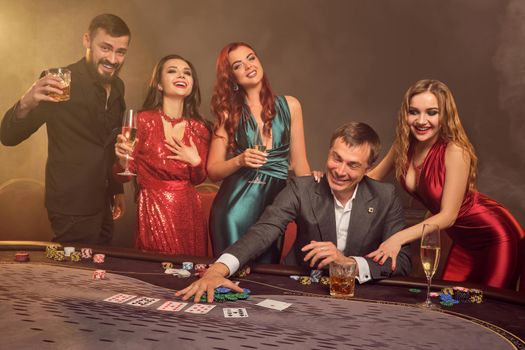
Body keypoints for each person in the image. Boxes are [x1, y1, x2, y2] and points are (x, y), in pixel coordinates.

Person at [176, 122, 412, 302]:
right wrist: (218, 269)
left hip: (357, 298)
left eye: (352, 165)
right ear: (329, 151)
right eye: (336, 158)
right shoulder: (303, 187)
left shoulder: (385, 196)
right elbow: (265, 229)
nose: (340, 171)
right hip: (299, 289)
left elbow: (402, 262)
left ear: (368, 168)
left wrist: (347, 263)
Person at [367, 79, 525, 292]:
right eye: (414, 112)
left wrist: (397, 238)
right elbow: (372, 177)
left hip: (495, 236)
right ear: (406, 114)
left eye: (432, 112)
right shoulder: (404, 144)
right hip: (463, 240)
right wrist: (329, 177)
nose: (421, 120)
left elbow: (449, 216)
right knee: (451, 304)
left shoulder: (456, 150)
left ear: (445, 115)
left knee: (488, 309)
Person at [0, 14, 131, 244]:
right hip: (71, 205)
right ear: (87, 40)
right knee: (74, 277)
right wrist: (27, 101)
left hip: (103, 201)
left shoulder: (118, 86)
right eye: (105, 48)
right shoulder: (60, 81)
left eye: (120, 51)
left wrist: (116, 188)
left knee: (98, 273)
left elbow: (109, 143)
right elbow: (8, 137)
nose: (112, 58)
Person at [207, 42, 313, 263]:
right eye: (238, 65)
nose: (248, 66)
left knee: (265, 280)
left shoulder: (291, 106)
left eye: (251, 58)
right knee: (231, 281)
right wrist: (240, 160)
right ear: (231, 77)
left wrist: (313, 209)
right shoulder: (228, 113)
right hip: (233, 211)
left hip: (274, 210)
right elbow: (213, 171)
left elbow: (300, 165)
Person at [115, 55, 210, 256]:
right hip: (153, 207)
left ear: (192, 84)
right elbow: (123, 176)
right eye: (172, 70)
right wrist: (123, 159)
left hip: (189, 210)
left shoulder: (199, 128)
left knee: (189, 272)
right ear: (158, 84)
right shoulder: (142, 121)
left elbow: (198, 178)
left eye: (187, 72)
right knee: (157, 276)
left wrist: (196, 162)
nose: (181, 75)